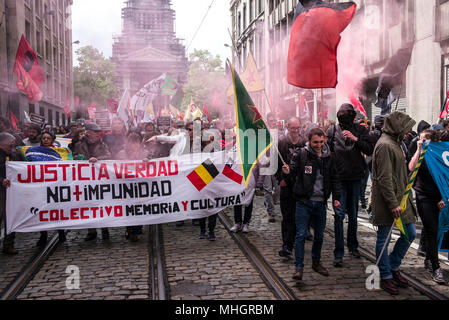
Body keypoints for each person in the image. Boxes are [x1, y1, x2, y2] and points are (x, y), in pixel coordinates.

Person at [282, 128, 341, 280]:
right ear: (309, 140)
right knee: (301, 235)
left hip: (321, 202)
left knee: (319, 236)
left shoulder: (329, 156)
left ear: (325, 140)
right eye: (315, 142)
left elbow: (334, 177)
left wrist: (337, 197)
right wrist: (287, 172)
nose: (318, 145)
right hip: (304, 201)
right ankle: (299, 267)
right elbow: (293, 172)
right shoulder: (302, 154)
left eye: (321, 142)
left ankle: (316, 262)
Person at [371, 111, 417, 295]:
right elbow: (384, 178)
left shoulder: (396, 143)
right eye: (405, 128)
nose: (408, 132)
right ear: (397, 128)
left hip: (401, 200)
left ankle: (393, 266)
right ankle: (385, 274)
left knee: (410, 233)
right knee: (384, 238)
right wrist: (392, 203)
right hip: (388, 202)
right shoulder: (385, 146)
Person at [326, 103, 374, 267]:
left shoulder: (361, 130)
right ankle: (338, 252)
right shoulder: (332, 131)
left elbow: (369, 150)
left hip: (355, 178)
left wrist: (356, 139)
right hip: (338, 179)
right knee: (339, 216)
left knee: (353, 216)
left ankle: (353, 246)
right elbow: (327, 153)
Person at [408, 129, 446, 284]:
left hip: (440, 198)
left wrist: (443, 197)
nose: (420, 141)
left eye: (423, 139)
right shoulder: (421, 153)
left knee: (437, 230)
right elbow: (411, 167)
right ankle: (435, 266)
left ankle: (430, 259)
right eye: (419, 138)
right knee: (431, 229)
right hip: (424, 197)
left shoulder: (438, 154)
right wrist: (419, 150)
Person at [73, 122, 112, 241]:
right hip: (85, 180)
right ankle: (91, 231)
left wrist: (97, 160)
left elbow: (109, 156)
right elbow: (74, 156)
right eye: (95, 132)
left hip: (100, 179)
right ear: (88, 133)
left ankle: (105, 230)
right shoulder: (79, 145)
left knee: (102, 204)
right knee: (88, 205)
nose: (97, 134)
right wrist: (77, 158)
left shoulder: (102, 144)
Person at [277, 117, 304, 258]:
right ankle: (287, 244)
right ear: (287, 127)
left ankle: (296, 241)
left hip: (300, 185)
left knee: (298, 216)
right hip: (286, 185)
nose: (295, 130)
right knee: (287, 216)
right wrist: (280, 178)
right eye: (293, 128)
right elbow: (275, 163)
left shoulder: (304, 143)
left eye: (297, 128)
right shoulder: (282, 143)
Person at [36, 132, 66, 246]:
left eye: (48, 138)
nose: (46, 140)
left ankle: (61, 232)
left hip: (55, 185)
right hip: (41, 185)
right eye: (43, 138)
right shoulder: (34, 151)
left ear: (52, 140)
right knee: (42, 210)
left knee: (57, 209)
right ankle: (43, 234)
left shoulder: (59, 152)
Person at [116, 132, 147, 242]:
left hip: (140, 185)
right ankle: (130, 229)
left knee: (139, 207)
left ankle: (137, 227)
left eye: (138, 142)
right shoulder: (121, 153)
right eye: (134, 143)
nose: (136, 145)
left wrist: (147, 161)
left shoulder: (144, 153)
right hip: (127, 185)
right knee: (129, 208)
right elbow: (116, 167)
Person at [0, 133, 19, 254]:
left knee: (11, 218)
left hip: (11, 191)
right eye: (10, 145)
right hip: (1, 191)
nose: (12, 148)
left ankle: (8, 244)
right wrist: (1, 180)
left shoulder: (13, 155)